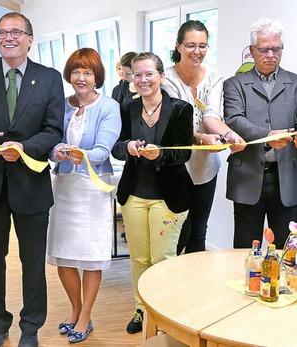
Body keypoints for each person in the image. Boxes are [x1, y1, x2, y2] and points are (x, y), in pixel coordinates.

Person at [0, 12, 64, 347]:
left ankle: (31, 326)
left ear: (29, 39)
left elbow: (53, 130)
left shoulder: (49, 78)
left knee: (32, 262)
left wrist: (24, 148)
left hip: (30, 183)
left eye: (16, 32)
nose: (8, 37)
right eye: (2, 32)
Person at [112, 52, 193, 334]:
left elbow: (183, 152)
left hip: (168, 197)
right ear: (131, 78)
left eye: (149, 74)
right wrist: (129, 147)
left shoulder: (181, 108)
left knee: (162, 259)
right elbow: (117, 146)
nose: (143, 80)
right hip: (134, 194)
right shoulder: (127, 108)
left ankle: (165, 313)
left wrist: (160, 154)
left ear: (161, 76)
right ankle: (141, 310)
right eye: (138, 74)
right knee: (139, 259)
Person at [47, 47, 121, 344]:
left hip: (93, 188)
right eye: (76, 71)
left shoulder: (109, 107)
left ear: (96, 76)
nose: (81, 78)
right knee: (64, 255)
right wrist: (57, 150)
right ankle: (75, 309)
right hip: (64, 187)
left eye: (87, 72)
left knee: (91, 256)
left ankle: (87, 315)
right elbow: (51, 141)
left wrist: (81, 154)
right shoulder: (60, 105)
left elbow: (104, 150)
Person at [223, 18, 297, 249]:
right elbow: (234, 120)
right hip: (248, 176)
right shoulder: (235, 84)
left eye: (276, 49)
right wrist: (269, 135)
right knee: (245, 247)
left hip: (287, 178)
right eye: (264, 49)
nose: (271, 55)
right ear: (252, 51)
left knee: (286, 251)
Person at [162, 20, 245, 255]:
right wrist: (200, 139)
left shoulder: (213, 77)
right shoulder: (165, 80)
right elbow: (174, 125)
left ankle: (193, 289)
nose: (196, 52)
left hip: (205, 167)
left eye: (202, 46)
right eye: (190, 45)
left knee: (199, 232)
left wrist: (228, 134)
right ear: (178, 46)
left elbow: (211, 115)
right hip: (177, 167)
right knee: (179, 233)